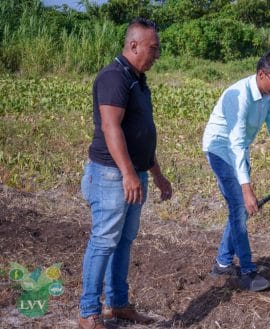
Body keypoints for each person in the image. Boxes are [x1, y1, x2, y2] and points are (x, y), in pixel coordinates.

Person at [79, 18, 172, 329]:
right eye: (153, 48)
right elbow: (111, 127)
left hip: (134, 174)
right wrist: (129, 175)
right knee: (104, 241)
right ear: (134, 45)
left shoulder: (137, 79)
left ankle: (117, 305)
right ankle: (89, 312)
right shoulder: (113, 76)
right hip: (110, 176)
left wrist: (155, 173)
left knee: (124, 241)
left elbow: (140, 133)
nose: (156, 55)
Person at [202, 50, 270, 292]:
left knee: (239, 210)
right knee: (240, 206)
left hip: (238, 151)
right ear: (261, 74)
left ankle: (222, 263)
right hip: (220, 148)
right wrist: (246, 189)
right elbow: (236, 142)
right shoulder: (238, 96)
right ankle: (247, 271)